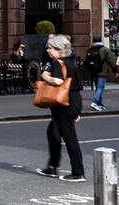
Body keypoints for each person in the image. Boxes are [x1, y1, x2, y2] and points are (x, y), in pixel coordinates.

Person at [35, 33, 85, 183]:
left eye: (50, 48)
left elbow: (57, 81)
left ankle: (78, 172)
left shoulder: (58, 63)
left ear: (59, 49)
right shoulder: (70, 63)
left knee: (70, 138)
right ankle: (52, 167)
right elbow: (77, 85)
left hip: (64, 104)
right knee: (53, 132)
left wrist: (44, 76)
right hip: (72, 102)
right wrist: (77, 111)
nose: (48, 50)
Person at [82, 39, 109, 111]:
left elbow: (85, 61)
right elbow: (111, 60)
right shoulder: (105, 49)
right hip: (102, 71)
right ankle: (94, 102)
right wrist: (115, 70)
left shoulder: (90, 50)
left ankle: (100, 104)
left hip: (93, 71)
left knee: (97, 87)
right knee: (100, 87)